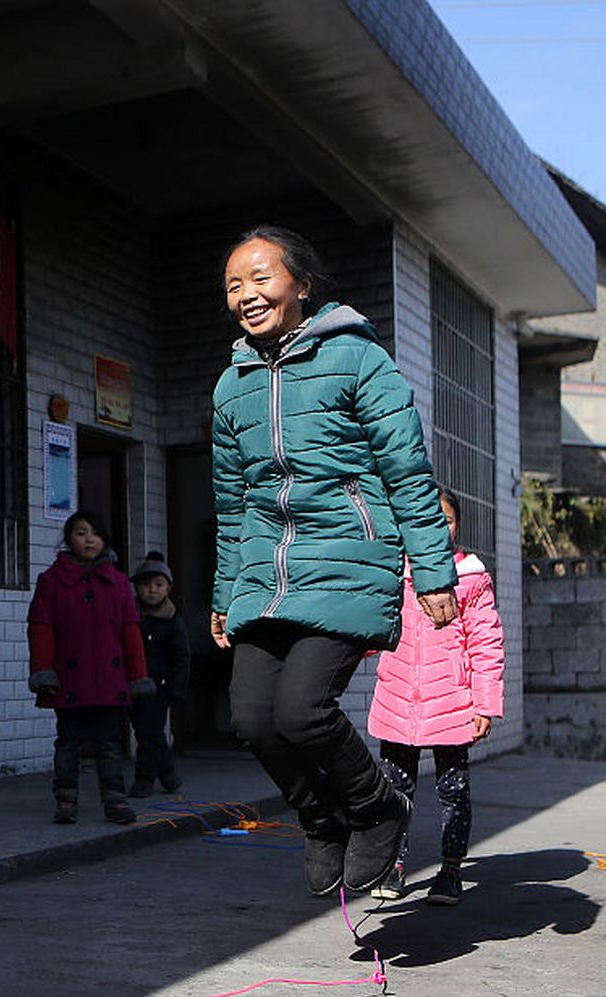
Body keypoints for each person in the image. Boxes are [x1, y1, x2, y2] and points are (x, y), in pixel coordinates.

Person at [210, 225, 459, 898]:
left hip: (348, 559)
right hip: (265, 575)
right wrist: (223, 593)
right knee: (254, 719)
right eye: (235, 284)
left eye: (262, 278)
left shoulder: (358, 360)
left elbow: (407, 470)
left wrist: (434, 570)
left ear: (301, 286)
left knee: (302, 712)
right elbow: (232, 503)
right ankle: (323, 822)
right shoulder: (230, 388)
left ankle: (379, 809)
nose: (248, 295)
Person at [365, 488, 506, 904]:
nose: (437, 527)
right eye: (427, 519)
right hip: (398, 699)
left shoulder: (471, 578)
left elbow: (486, 643)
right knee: (394, 790)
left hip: (453, 702)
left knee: (454, 791)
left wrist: (485, 703)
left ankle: (450, 870)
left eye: (445, 519)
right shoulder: (395, 573)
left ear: (457, 524)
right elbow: (373, 627)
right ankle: (392, 865)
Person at [29, 509, 152, 826]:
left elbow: (131, 632)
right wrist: (44, 671)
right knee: (68, 741)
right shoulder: (51, 581)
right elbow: (41, 628)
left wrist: (138, 675)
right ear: (69, 538)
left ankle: (115, 799)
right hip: (68, 678)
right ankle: (66, 799)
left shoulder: (120, 583)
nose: (88, 539)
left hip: (109, 679)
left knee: (109, 743)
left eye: (95, 533)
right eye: (81, 532)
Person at [127, 550, 190, 799]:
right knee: (145, 731)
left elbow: (181, 658)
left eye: (158, 584)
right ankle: (169, 775)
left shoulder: (172, 621)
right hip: (133, 683)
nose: (151, 590)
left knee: (149, 733)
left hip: (159, 687)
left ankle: (144, 779)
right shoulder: (131, 616)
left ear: (168, 588)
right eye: (145, 584)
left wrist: (177, 689)